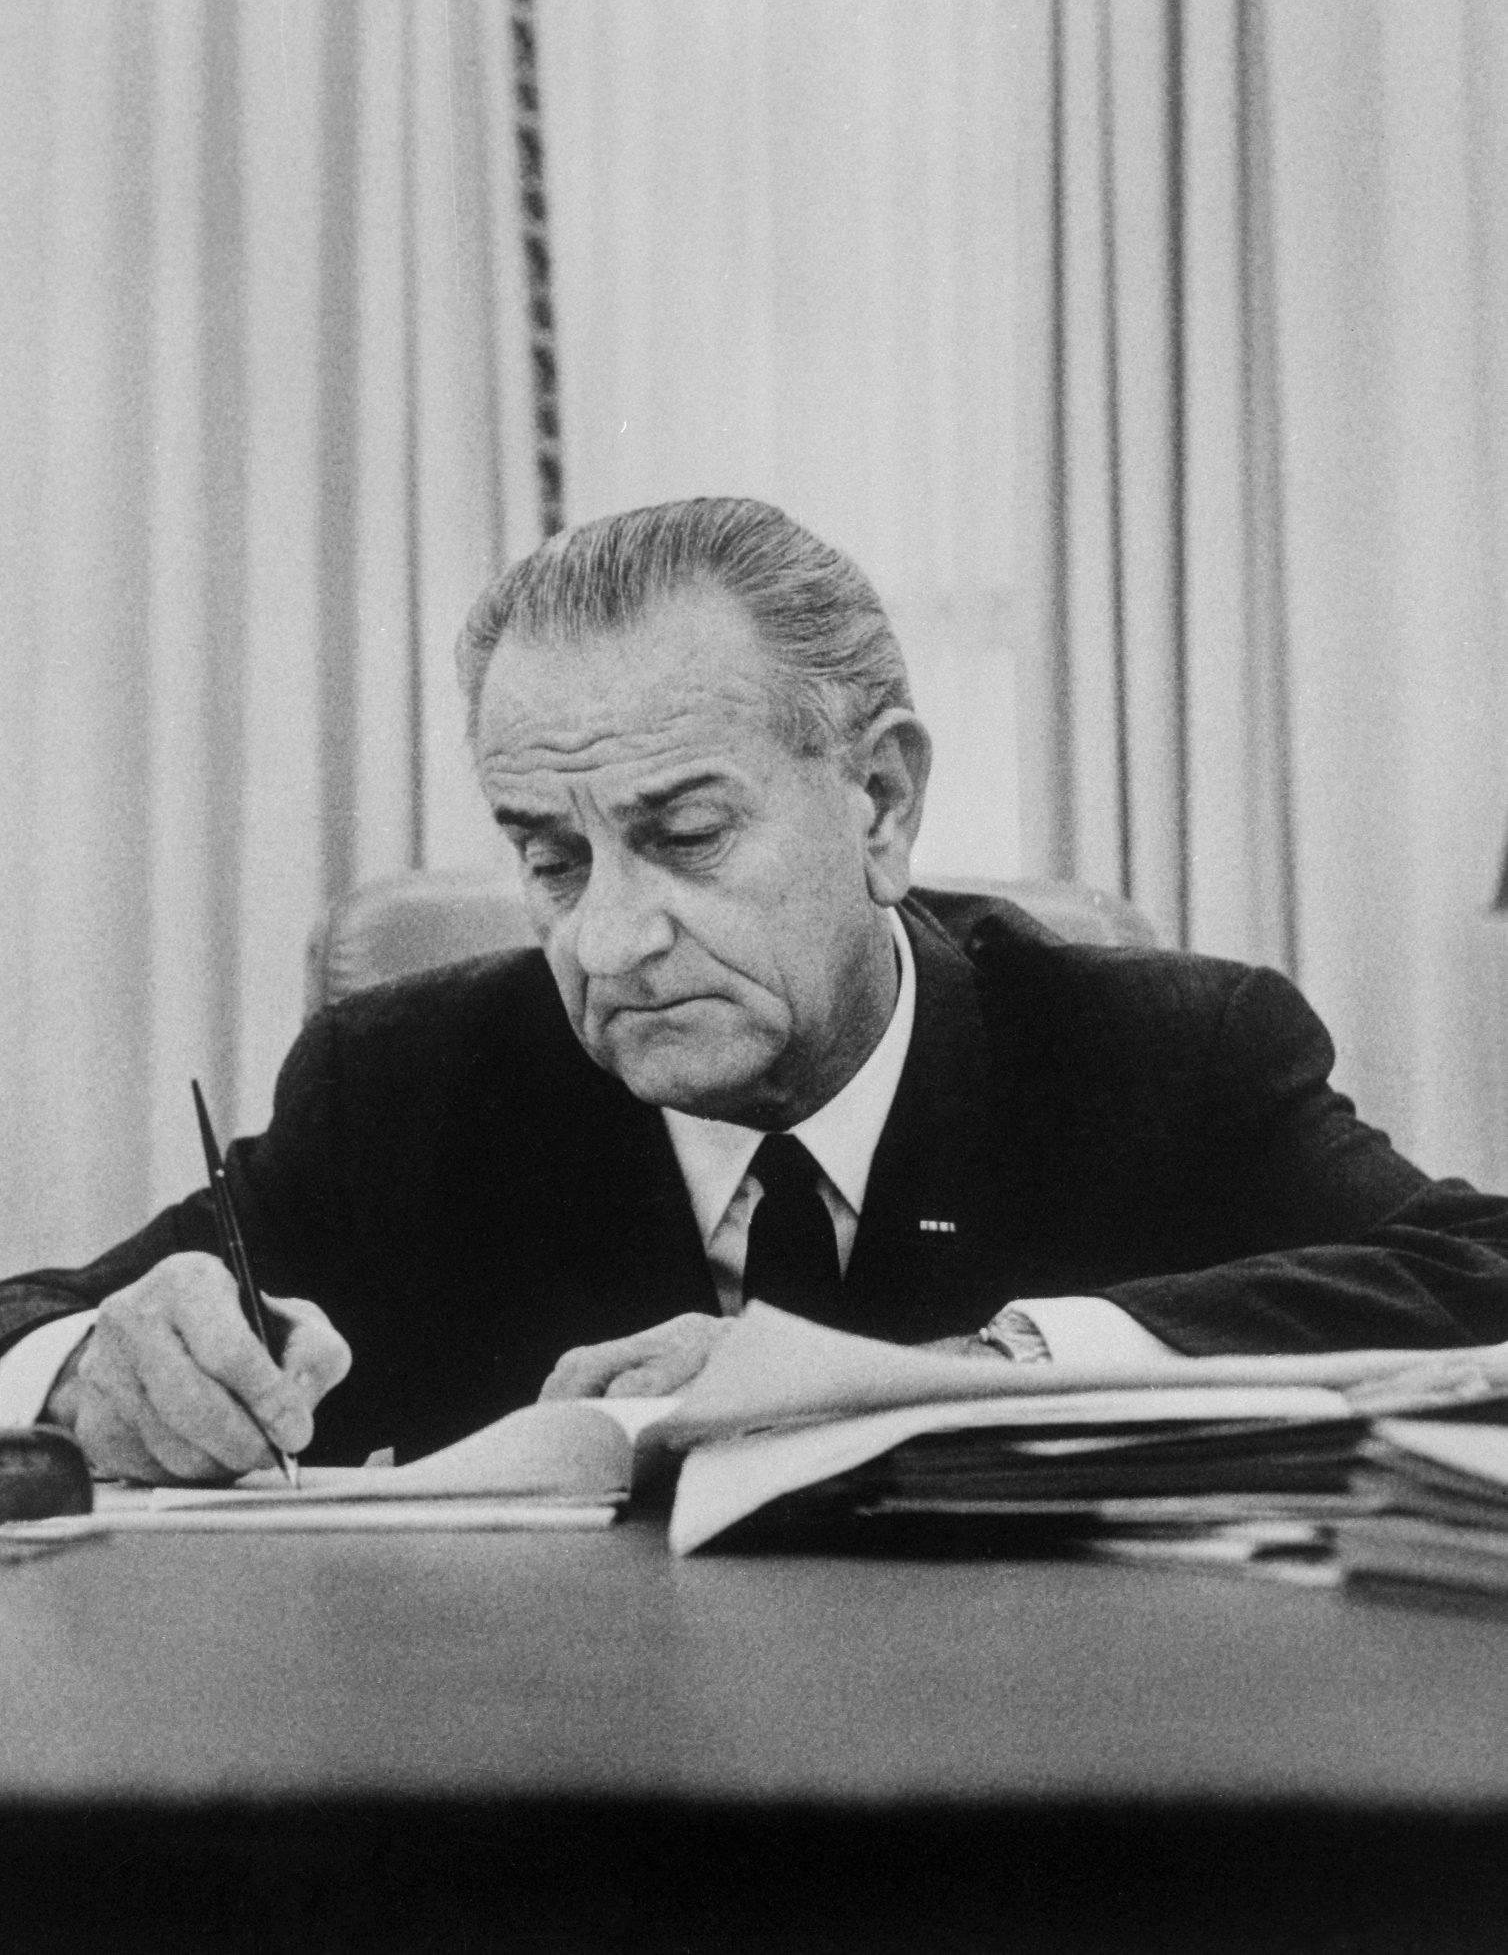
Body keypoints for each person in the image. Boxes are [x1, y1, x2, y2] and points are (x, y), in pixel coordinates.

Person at [3, 497, 1507, 1482]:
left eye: (687, 835)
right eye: (551, 857)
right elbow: (28, 1320)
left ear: (881, 801)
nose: (609, 941)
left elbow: (1482, 1273)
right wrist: (90, 1366)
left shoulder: (1164, 1056)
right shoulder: (408, 1084)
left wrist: (947, 1375)